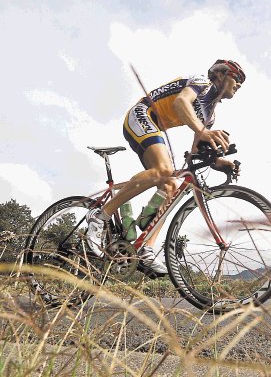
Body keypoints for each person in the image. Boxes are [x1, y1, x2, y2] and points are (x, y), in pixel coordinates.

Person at [86, 59, 246, 278]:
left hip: (155, 128)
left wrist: (219, 162)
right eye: (237, 78)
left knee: (171, 184)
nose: (239, 84)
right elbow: (181, 103)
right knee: (164, 169)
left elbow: (194, 152)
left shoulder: (210, 115)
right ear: (220, 75)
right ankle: (100, 216)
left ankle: (146, 249)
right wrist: (202, 130)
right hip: (142, 114)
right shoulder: (201, 83)